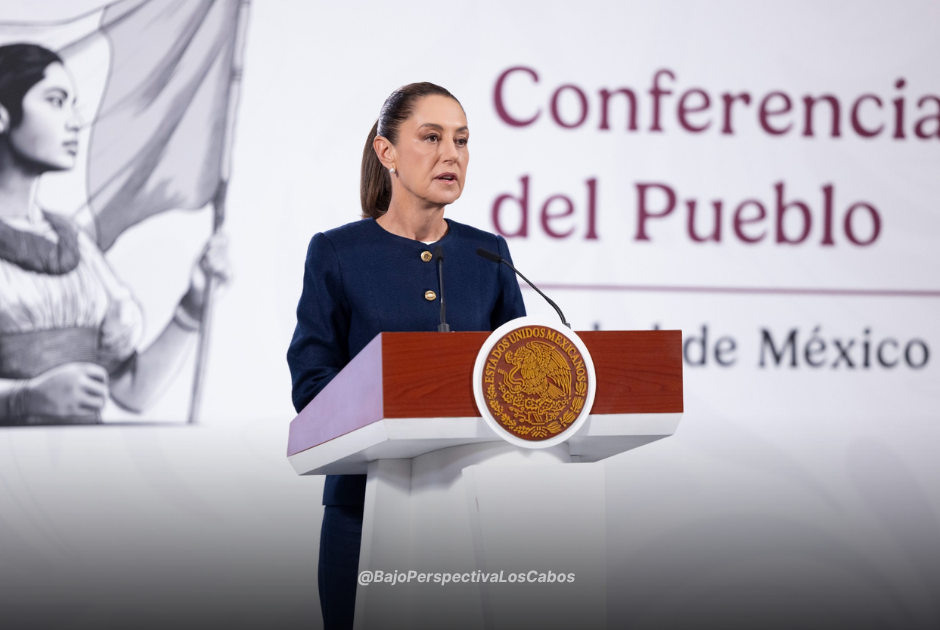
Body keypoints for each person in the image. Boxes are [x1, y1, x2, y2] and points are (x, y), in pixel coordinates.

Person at [287, 82, 526, 629]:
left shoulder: (487, 254)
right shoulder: (338, 252)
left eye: (462, 141)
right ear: (386, 152)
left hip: (475, 507)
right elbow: (312, 383)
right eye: (432, 137)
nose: (452, 154)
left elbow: (516, 377)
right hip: (364, 507)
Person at [0, 43, 228, 425]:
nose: (74, 121)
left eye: (73, 104)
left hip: (81, 473)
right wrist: (23, 399)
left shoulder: (73, 243)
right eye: (55, 102)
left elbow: (132, 391)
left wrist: (193, 303)